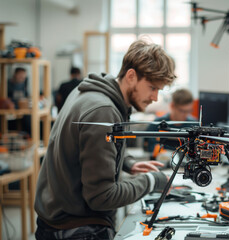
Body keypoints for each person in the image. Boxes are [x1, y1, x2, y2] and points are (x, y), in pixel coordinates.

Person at [35, 39, 176, 239]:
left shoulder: (89, 92)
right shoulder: (103, 111)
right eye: (153, 87)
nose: (155, 97)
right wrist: (152, 181)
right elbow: (101, 197)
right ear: (131, 76)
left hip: (57, 218)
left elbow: (84, 149)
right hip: (75, 228)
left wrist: (127, 163)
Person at [144, 88, 196, 157]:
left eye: (189, 111)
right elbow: (146, 145)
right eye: (182, 111)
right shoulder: (158, 124)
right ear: (172, 106)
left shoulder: (194, 126)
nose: (186, 114)